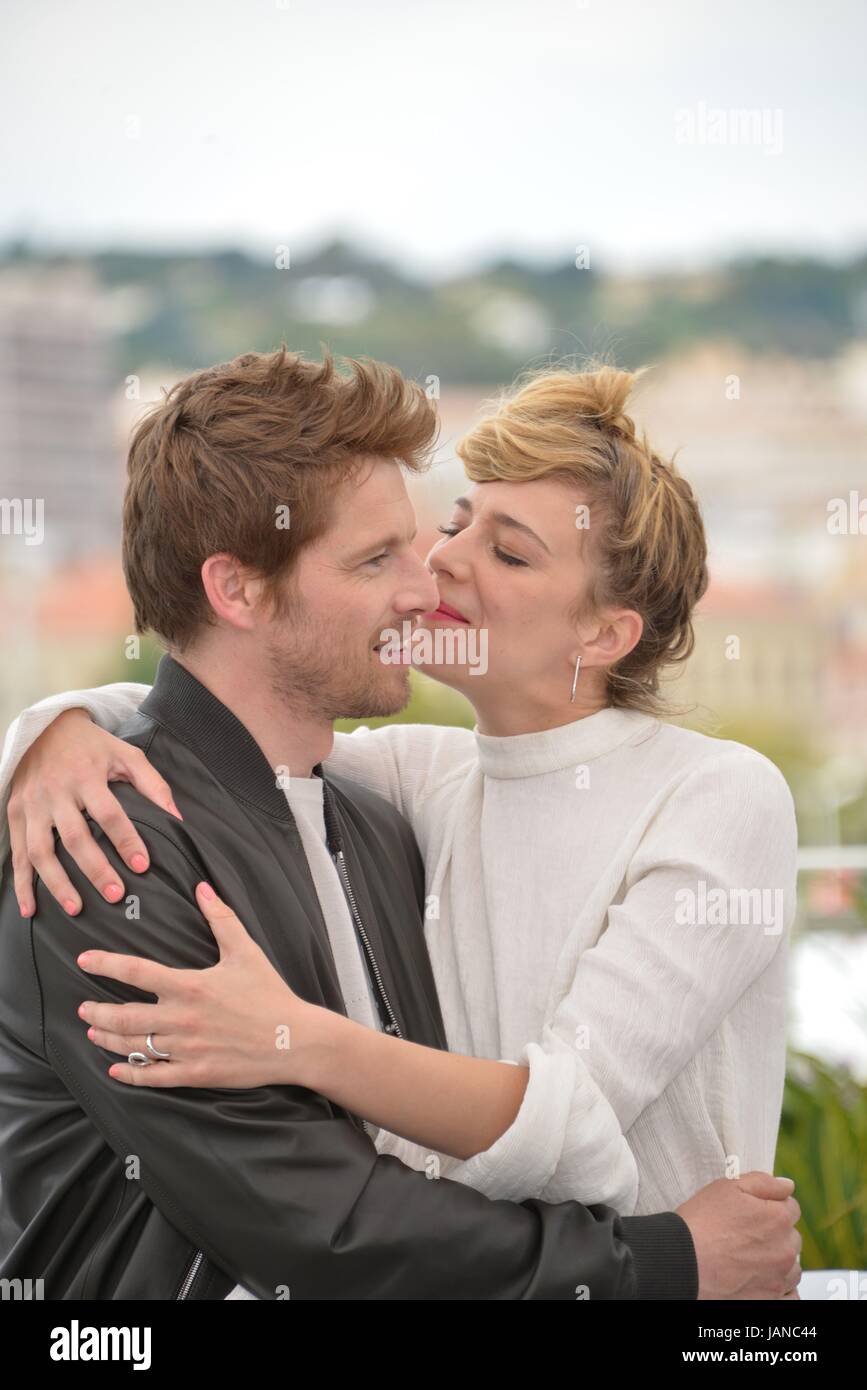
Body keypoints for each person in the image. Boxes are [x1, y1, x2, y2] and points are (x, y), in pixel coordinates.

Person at [0, 346, 802, 1300]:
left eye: (503, 551)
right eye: (424, 540)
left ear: (605, 633)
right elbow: (319, 1226)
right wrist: (51, 732)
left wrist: (296, 1038)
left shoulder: (685, 794)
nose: (435, 576)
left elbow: (566, 1123)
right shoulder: (368, 790)